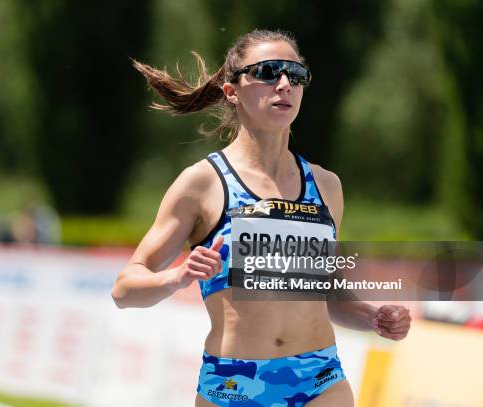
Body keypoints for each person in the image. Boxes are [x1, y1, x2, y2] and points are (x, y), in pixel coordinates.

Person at [111, 29, 412, 406]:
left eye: (295, 74)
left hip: (319, 378)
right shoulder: (202, 182)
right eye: (268, 72)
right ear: (231, 91)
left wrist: (371, 315)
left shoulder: (326, 186)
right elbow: (124, 289)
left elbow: (326, 293)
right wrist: (178, 275)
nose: (284, 84)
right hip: (235, 385)